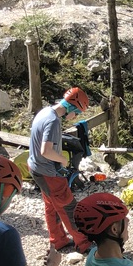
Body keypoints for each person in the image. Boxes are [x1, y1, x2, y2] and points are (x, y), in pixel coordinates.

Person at [28, 87, 92, 253]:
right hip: (48, 171)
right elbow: (46, 150)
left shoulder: (45, 111)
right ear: (72, 107)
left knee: (51, 205)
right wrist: (63, 160)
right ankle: (84, 243)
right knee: (69, 206)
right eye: (77, 113)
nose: (75, 117)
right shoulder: (53, 121)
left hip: (36, 168)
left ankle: (58, 241)